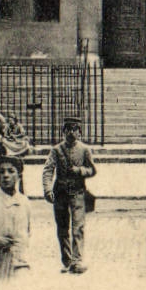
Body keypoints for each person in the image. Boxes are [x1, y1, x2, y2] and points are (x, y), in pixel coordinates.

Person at [42, 115, 96, 274]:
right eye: (68, 130)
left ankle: (77, 261)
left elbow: (92, 170)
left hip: (78, 192)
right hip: (60, 193)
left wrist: (80, 171)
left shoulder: (85, 150)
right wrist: (47, 189)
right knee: (62, 228)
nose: (71, 133)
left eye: (74, 130)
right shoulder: (56, 150)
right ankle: (67, 261)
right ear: (63, 132)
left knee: (78, 227)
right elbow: (48, 170)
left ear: (79, 133)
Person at [0, 114, 32, 195]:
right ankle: (10, 151)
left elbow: (22, 134)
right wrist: (9, 137)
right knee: (4, 141)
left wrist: (15, 136)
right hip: (10, 141)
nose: (11, 121)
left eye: (12, 120)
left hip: (17, 140)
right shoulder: (7, 127)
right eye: (10, 120)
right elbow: (5, 135)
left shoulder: (18, 126)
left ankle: (18, 151)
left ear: (15, 120)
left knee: (24, 142)